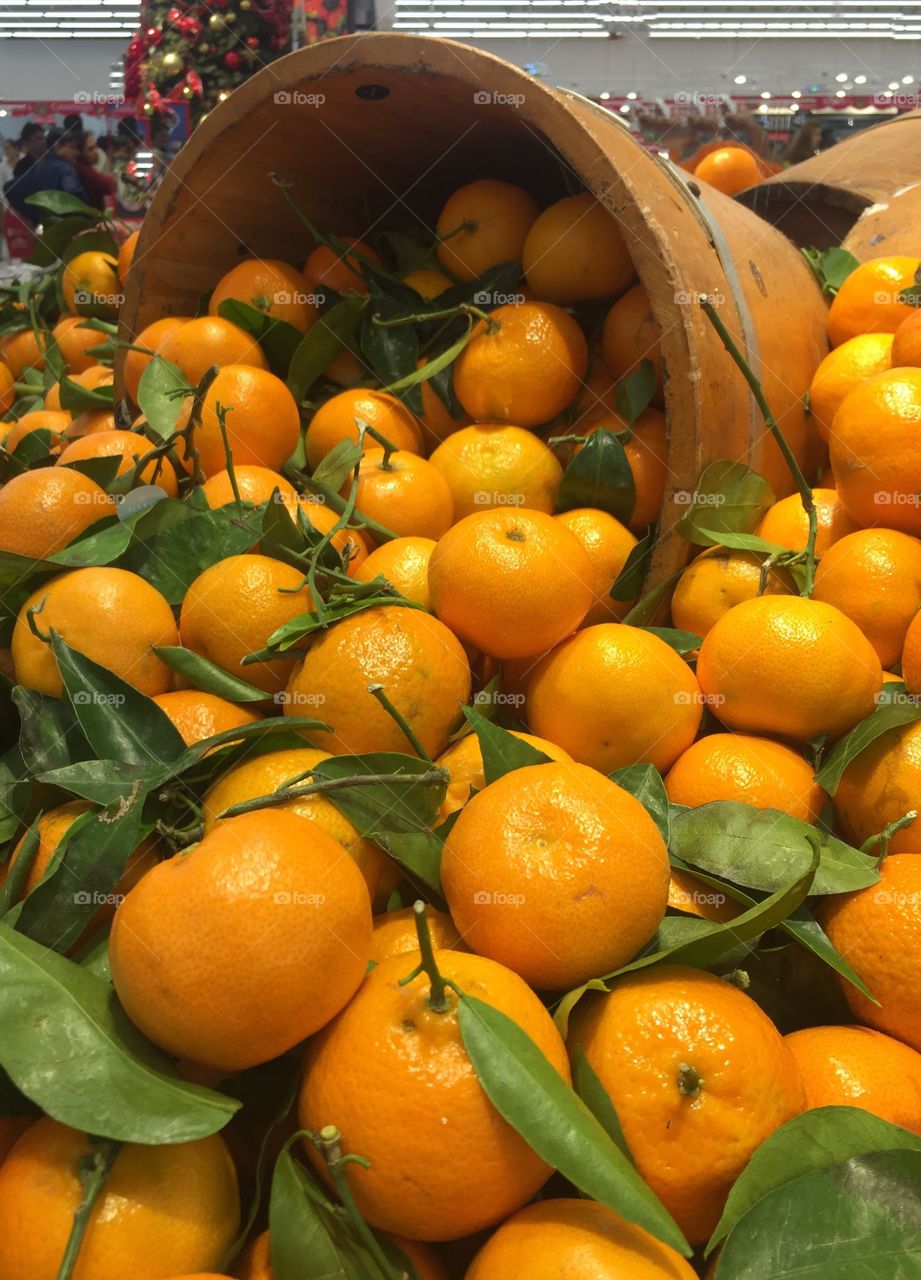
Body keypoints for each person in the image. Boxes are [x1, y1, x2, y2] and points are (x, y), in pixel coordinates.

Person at [5, 125, 86, 226]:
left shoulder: (57, 161)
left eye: (43, 137)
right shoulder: (22, 166)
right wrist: (33, 217)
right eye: (38, 139)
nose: (43, 142)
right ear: (27, 143)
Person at [77, 131, 116, 211]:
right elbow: (109, 184)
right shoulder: (83, 170)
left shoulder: (88, 167)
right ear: (80, 152)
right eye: (90, 149)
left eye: (96, 147)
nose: (96, 152)